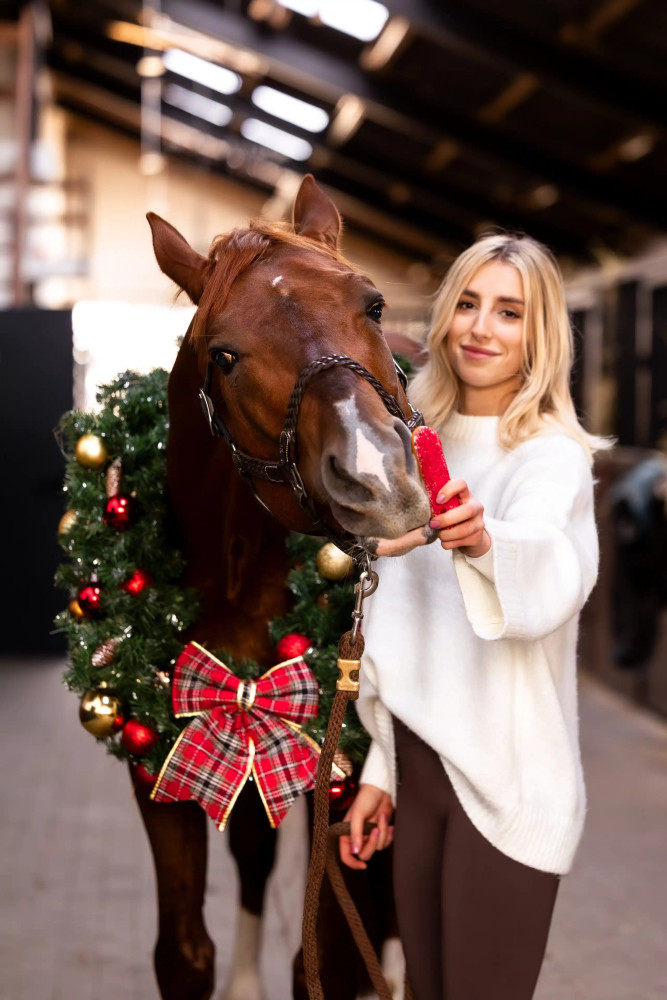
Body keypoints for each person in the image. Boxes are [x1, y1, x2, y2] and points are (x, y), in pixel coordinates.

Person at [339, 233, 611, 1000]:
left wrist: (484, 541)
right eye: (466, 303)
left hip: (508, 787)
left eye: (508, 312)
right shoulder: (410, 446)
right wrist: (379, 775)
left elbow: (554, 572)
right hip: (420, 775)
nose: (478, 328)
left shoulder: (550, 458)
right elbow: (406, 638)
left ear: (540, 335)